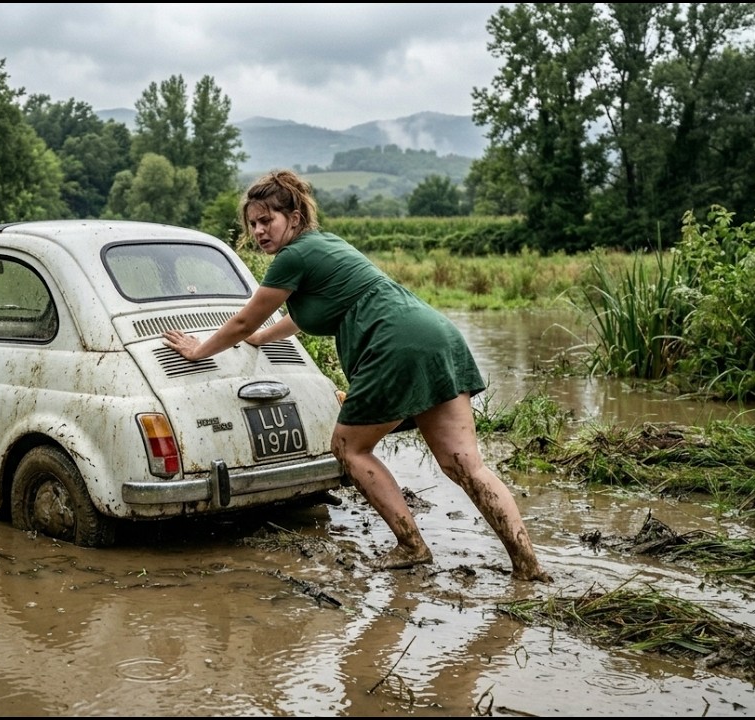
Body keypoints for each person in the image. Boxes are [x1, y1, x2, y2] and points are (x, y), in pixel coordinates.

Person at [162, 169, 552, 582]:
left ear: (293, 218)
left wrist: (199, 349)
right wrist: (263, 338)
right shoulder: (322, 246)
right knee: (465, 465)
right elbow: (300, 316)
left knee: (348, 447)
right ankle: (527, 565)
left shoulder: (292, 257)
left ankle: (411, 546)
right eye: (253, 223)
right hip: (434, 335)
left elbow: (241, 321)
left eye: (267, 220)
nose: (259, 231)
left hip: (393, 345)